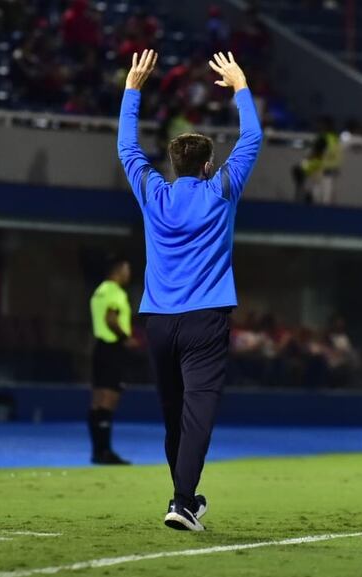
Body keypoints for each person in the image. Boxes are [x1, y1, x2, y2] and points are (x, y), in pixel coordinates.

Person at [117, 49, 262, 531]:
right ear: (205, 166)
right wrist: (240, 84)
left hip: (158, 320)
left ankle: (185, 498)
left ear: (177, 165)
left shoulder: (154, 193)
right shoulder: (221, 190)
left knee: (173, 415)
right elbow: (254, 137)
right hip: (206, 319)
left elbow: (127, 150)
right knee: (198, 413)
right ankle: (182, 502)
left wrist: (132, 90)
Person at [88, 256, 138, 465]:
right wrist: (126, 338)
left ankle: (97, 450)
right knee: (109, 400)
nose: (129, 274)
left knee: (97, 401)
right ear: (118, 271)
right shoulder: (116, 292)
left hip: (100, 347)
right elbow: (111, 318)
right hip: (113, 349)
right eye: (127, 270)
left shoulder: (99, 291)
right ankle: (105, 451)